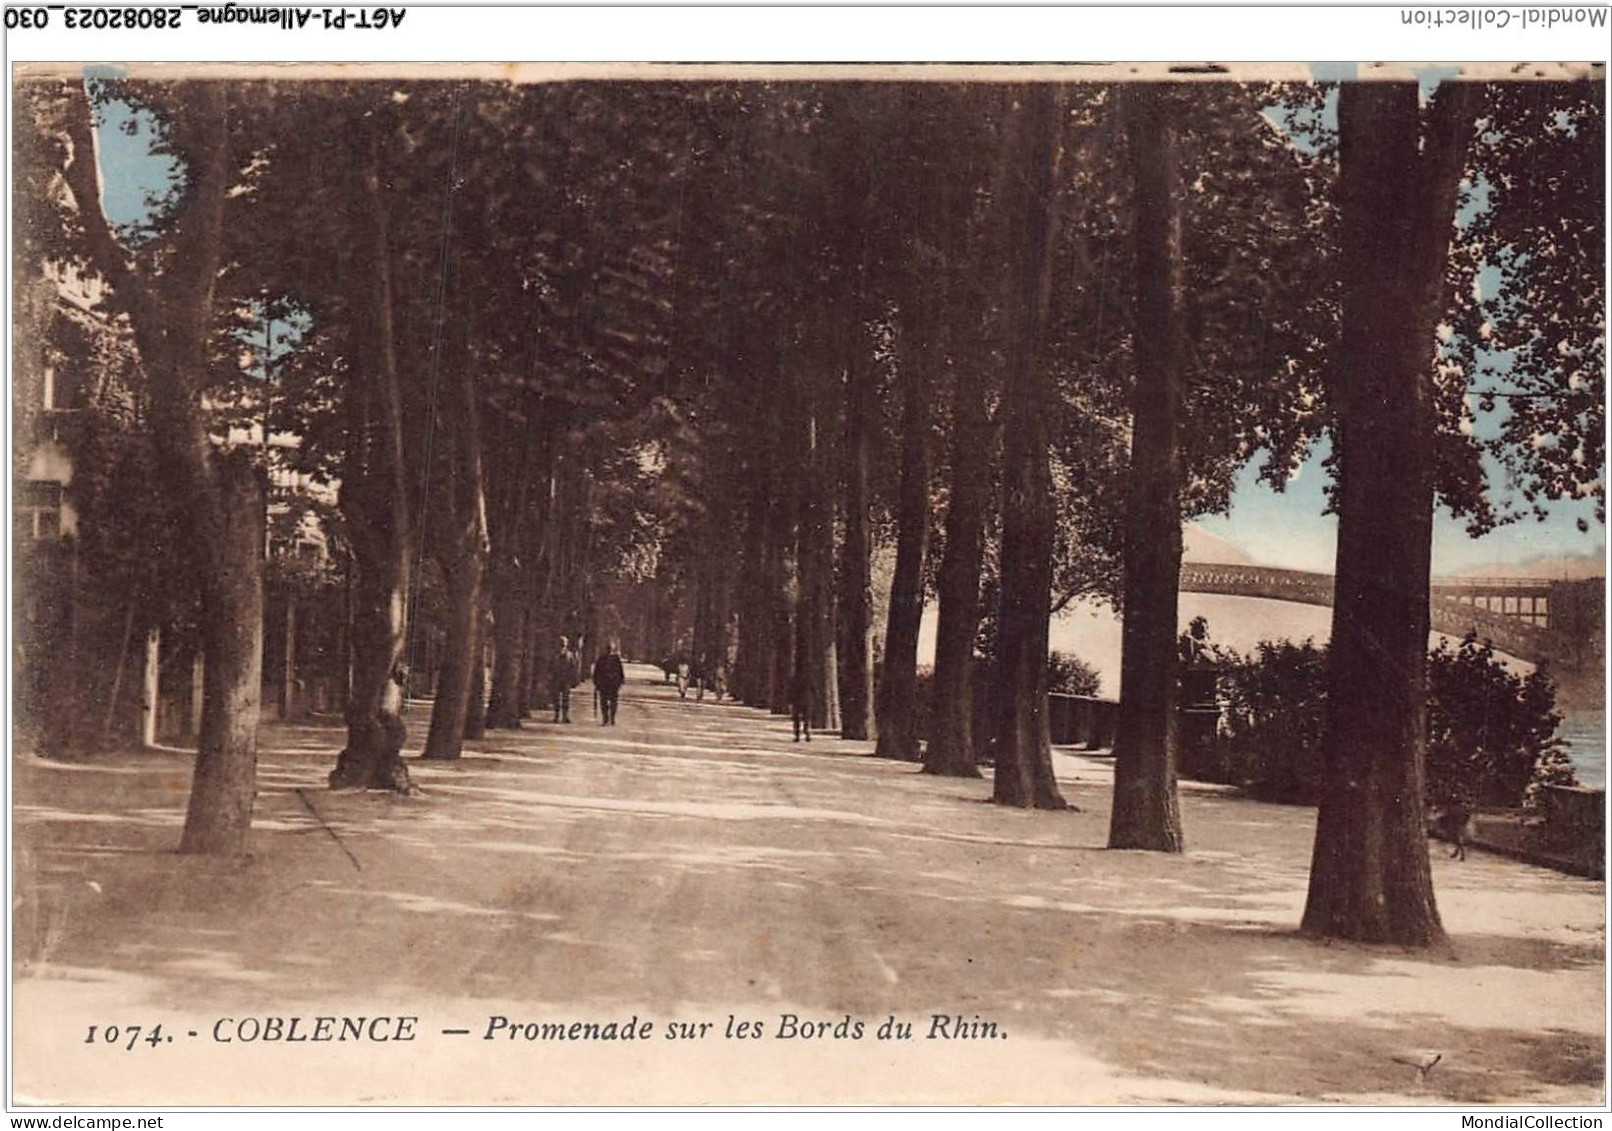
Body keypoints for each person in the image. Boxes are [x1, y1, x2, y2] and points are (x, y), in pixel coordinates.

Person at [592, 641, 626, 726]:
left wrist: (620, 681)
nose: (609, 650)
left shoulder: (616, 659)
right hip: (603, 684)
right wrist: (596, 682)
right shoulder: (601, 659)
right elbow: (596, 672)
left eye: (610, 648)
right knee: (603, 702)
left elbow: (620, 671)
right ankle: (605, 718)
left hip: (613, 684)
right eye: (608, 648)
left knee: (613, 702)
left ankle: (612, 718)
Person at [550, 636, 578, 724]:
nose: (563, 644)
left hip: (566, 679)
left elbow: (573, 667)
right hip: (556, 679)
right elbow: (550, 667)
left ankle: (565, 716)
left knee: (566, 698)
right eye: (561, 642)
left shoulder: (570, 655)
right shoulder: (554, 654)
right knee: (556, 699)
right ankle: (556, 715)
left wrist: (574, 679)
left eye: (564, 642)